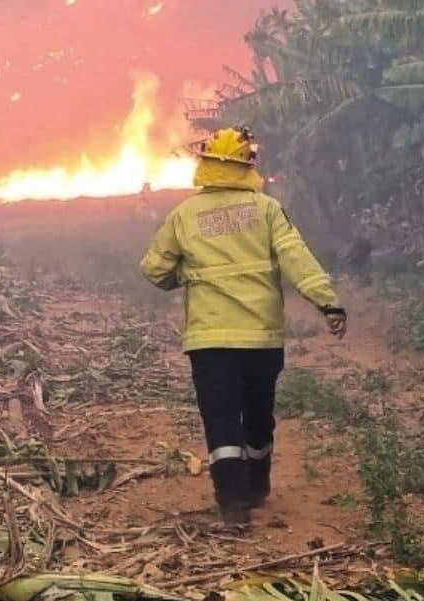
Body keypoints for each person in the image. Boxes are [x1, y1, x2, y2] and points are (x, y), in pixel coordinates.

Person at [140, 126, 346, 525]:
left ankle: (233, 503)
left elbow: (154, 269)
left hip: (209, 339)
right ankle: (257, 485)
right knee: (257, 412)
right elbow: (296, 258)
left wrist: (182, 275)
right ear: (247, 166)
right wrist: (328, 303)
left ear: (207, 165)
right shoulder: (266, 209)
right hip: (262, 338)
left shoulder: (184, 215)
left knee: (219, 416)